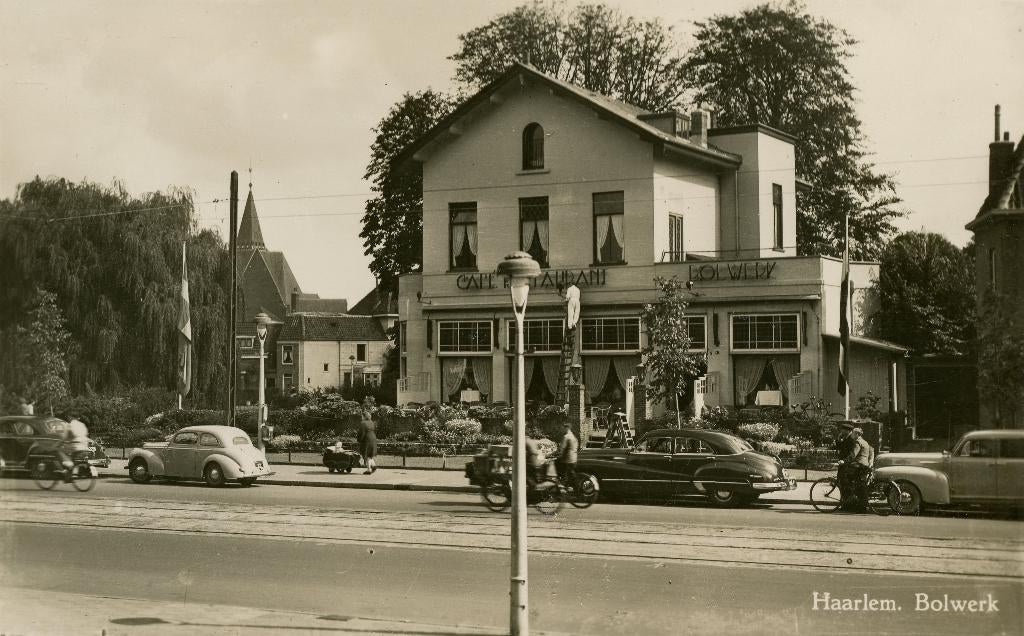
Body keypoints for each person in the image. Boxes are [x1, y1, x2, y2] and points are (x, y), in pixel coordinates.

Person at [838, 426, 874, 512]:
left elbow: (853, 455)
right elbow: (872, 450)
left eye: (853, 433)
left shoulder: (858, 442)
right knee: (859, 485)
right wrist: (870, 462)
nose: (852, 435)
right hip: (864, 465)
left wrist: (844, 461)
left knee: (846, 480)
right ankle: (855, 503)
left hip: (859, 465)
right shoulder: (865, 442)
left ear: (857, 434)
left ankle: (855, 504)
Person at [57, 415, 89, 481]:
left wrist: (59, 444)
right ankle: (70, 473)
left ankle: (67, 467)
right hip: (85, 446)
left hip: (75, 447)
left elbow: (65, 437)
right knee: (72, 456)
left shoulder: (70, 425)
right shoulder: (82, 425)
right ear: (78, 417)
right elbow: (86, 435)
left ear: (70, 417)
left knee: (60, 451)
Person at [357, 399, 377, 474]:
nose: (361, 417)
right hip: (373, 438)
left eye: (362, 416)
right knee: (371, 455)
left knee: (367, 455)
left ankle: (369, 470)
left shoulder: (363, 423)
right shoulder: (372, 422)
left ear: (364, 416)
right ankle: (374, 466)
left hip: (367, 440)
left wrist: (359, 439)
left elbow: (362, 433)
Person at [556, 421, 579, 487]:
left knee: (559, 470)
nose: (562, 429)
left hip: (567, 460)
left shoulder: (566, 437)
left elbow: (560, 449)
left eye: (563, 428)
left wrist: (549, 455)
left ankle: (561, 486)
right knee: (571, 474)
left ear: (566, 428)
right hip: (574, 459)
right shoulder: (573, 436)